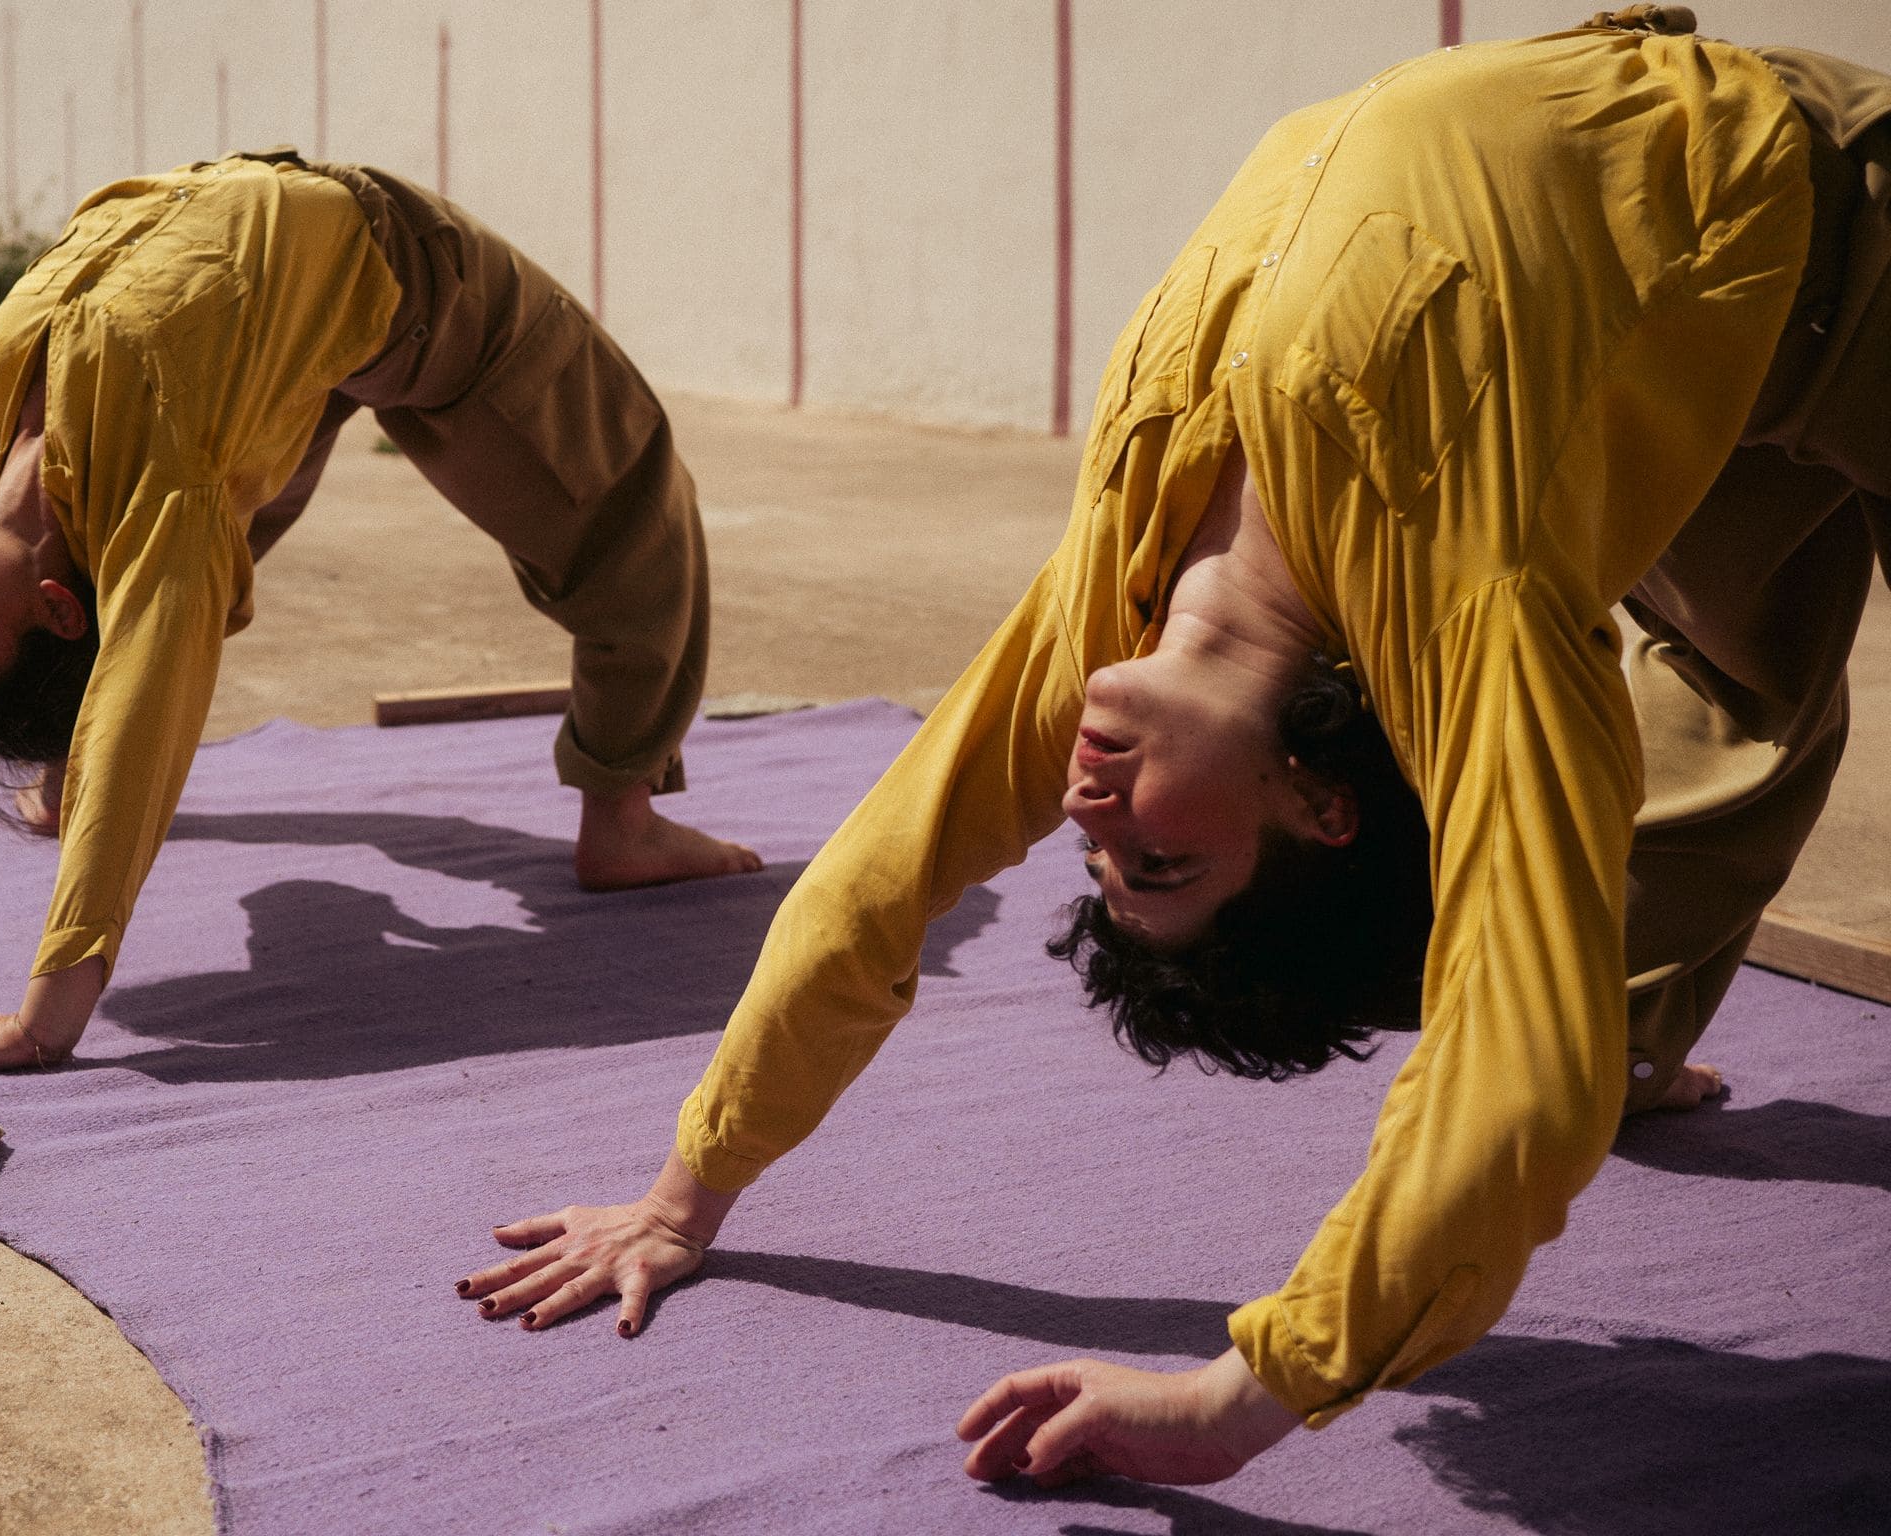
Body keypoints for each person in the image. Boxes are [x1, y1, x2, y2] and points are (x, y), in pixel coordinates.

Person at [459, 6, 1890, 1489]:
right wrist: (1255, 1396)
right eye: (1158, 860)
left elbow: (868, 891)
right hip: (1806, 267)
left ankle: (1627, 1029)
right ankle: (1627, 1029)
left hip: (1759, 233)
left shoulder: (1116, 598)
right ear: (1319, 806)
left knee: (1708, 727)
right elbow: (1515, 1064)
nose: (1088, 810)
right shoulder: (1467, 595)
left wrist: (683, 1199)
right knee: (1732, 694)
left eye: (1104, 860)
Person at [0, 152, 761, 1073]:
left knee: (166, 572)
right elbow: (143, 692)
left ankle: (70, 764)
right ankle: (624, 822)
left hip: (274, 334)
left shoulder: (24, 461)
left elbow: (114, 655)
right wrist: (44, 1023)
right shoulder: (160, 484)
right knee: (635, 505)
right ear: (56, 612)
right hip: (401, 282)